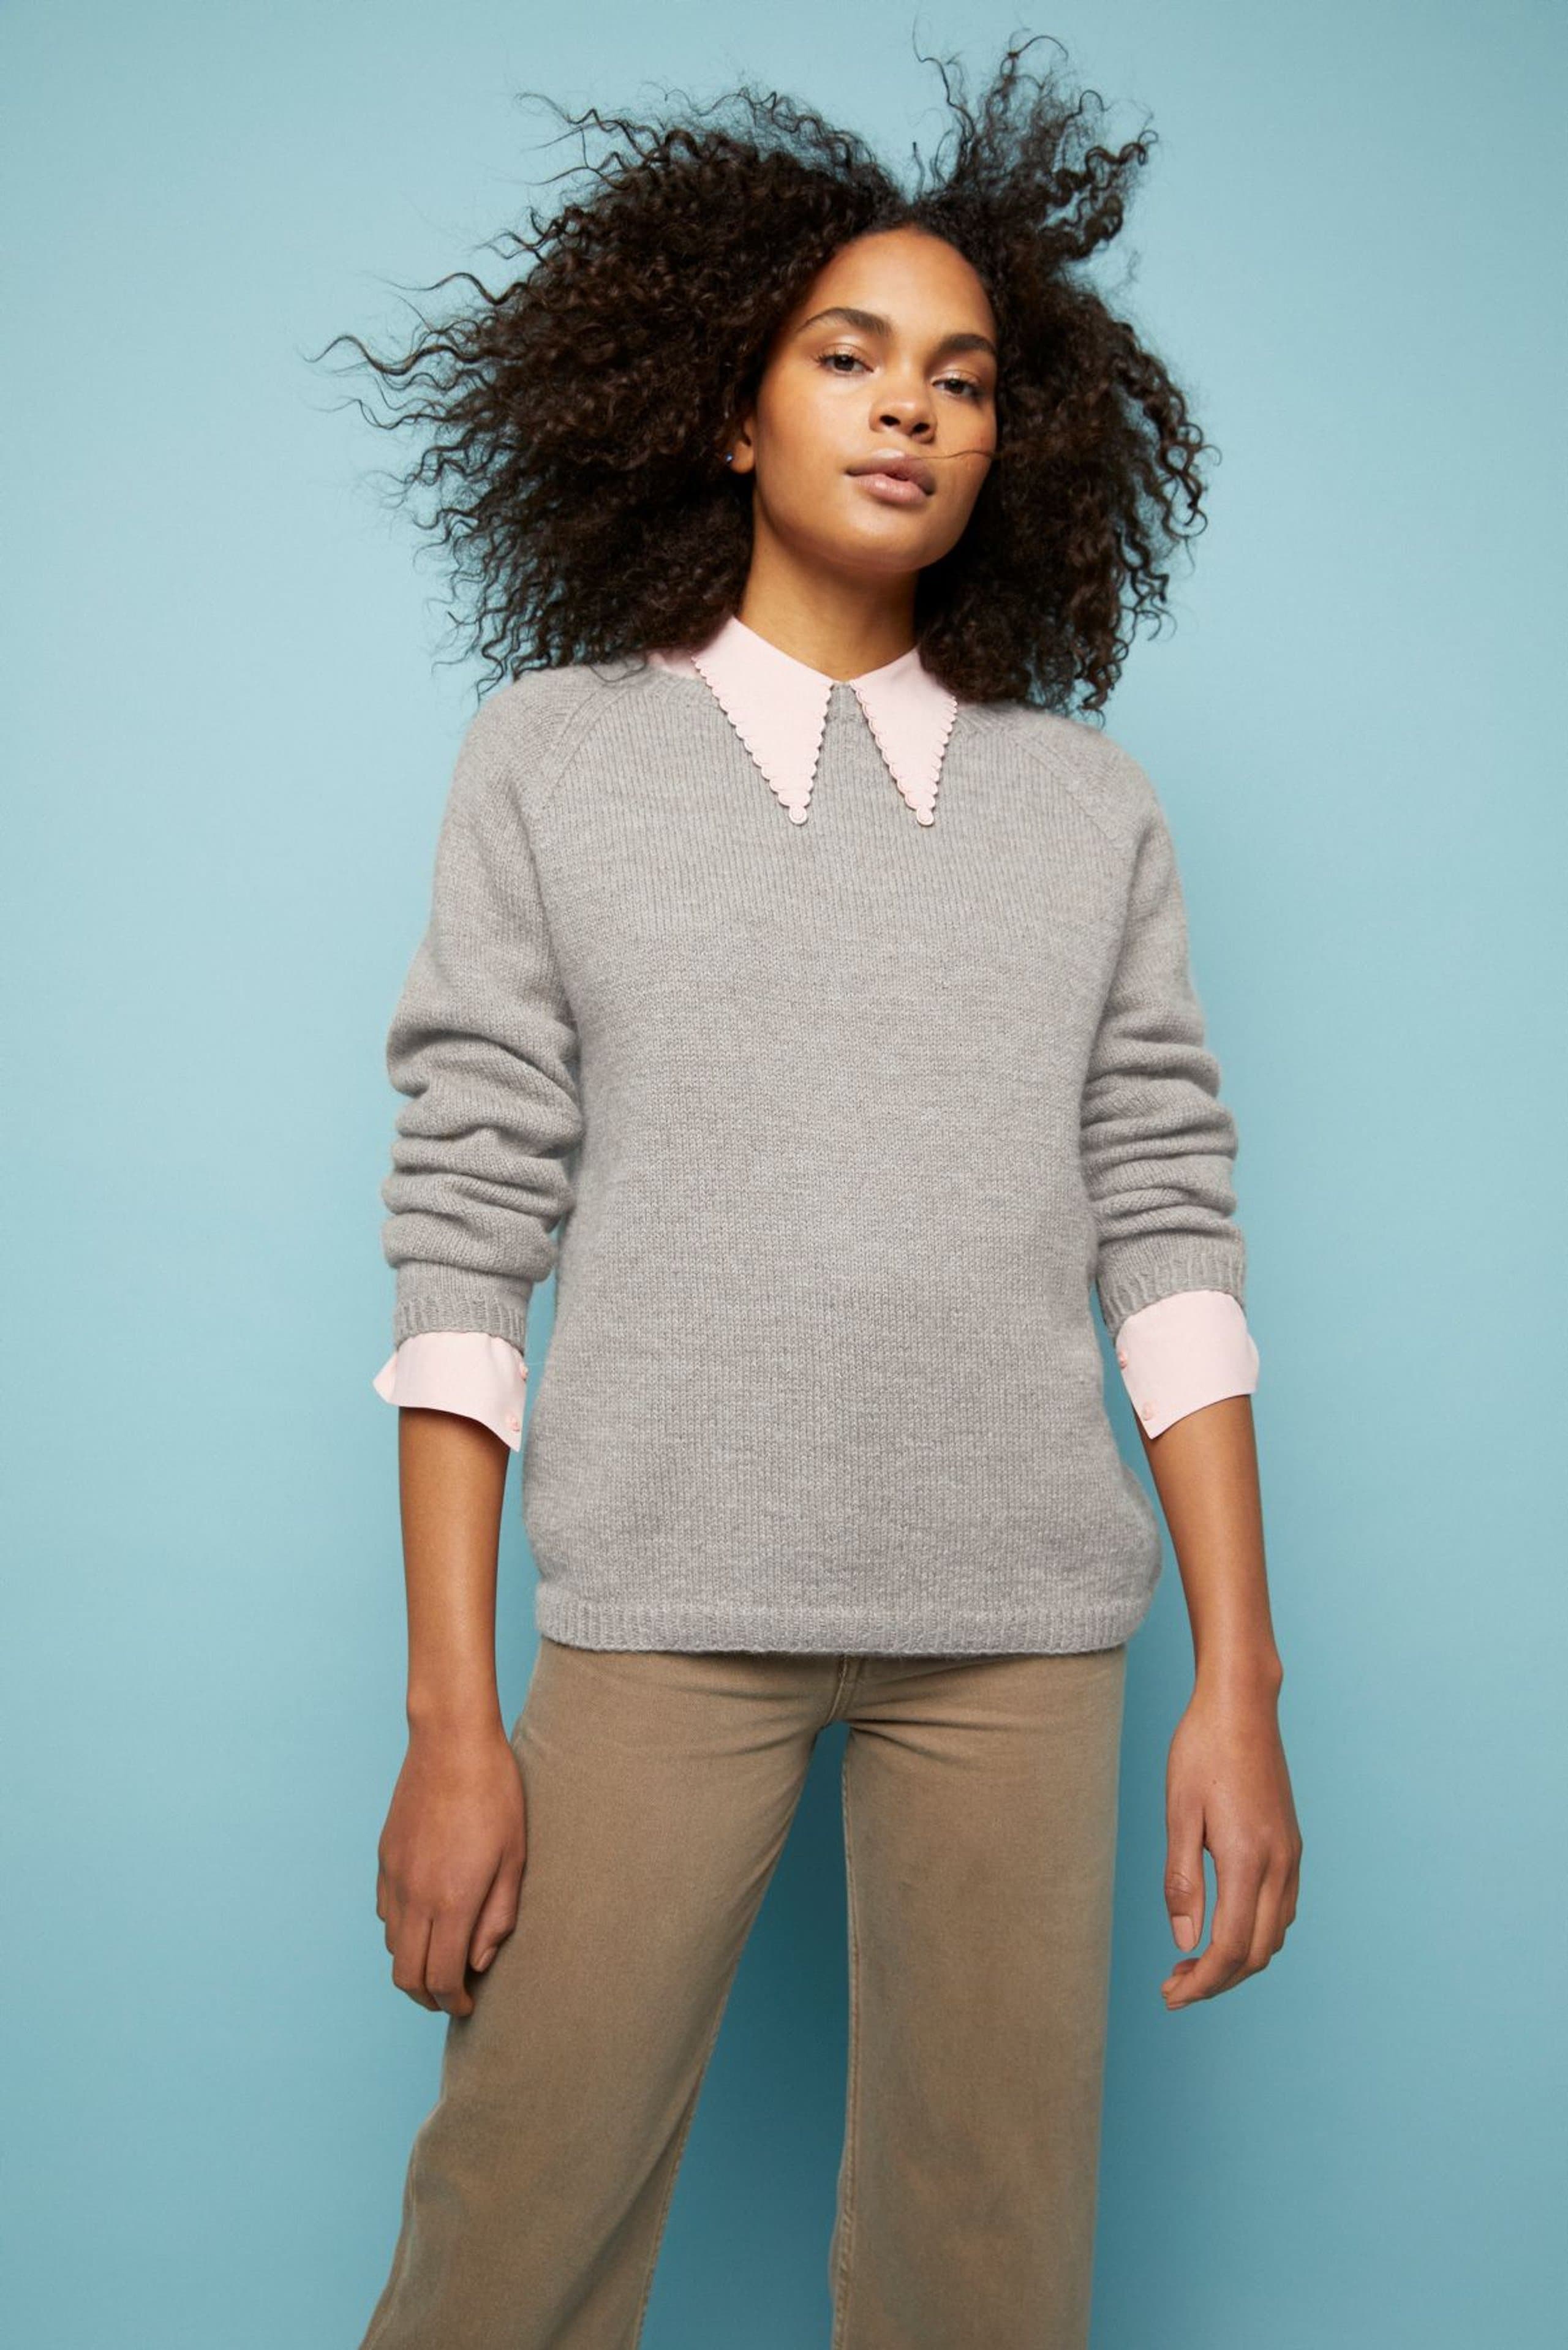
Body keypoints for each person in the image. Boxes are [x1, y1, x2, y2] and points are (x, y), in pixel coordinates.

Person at [334, 34, 1302, 2349]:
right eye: (849, 356)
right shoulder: (554, 759)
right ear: (725, 411)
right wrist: (454, 1718)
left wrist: (1243, 1676)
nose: (910, 411)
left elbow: (1167, 1223)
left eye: (962, 379)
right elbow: (470, 1224)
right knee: (511, 2235)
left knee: (988, 2274)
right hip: (662, 1604)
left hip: (1025, 1631)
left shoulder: (1088, 807)